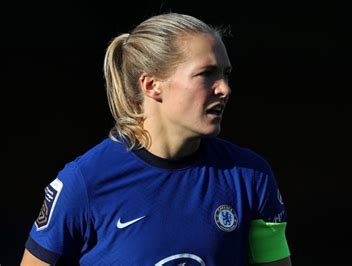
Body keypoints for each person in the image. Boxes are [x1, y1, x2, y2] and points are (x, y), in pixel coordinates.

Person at [20, 12, 291, 266]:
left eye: (226, 74)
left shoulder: (251, 176)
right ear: (151, 85)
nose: (224, 89)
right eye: (206, 74)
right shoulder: (84, 182)